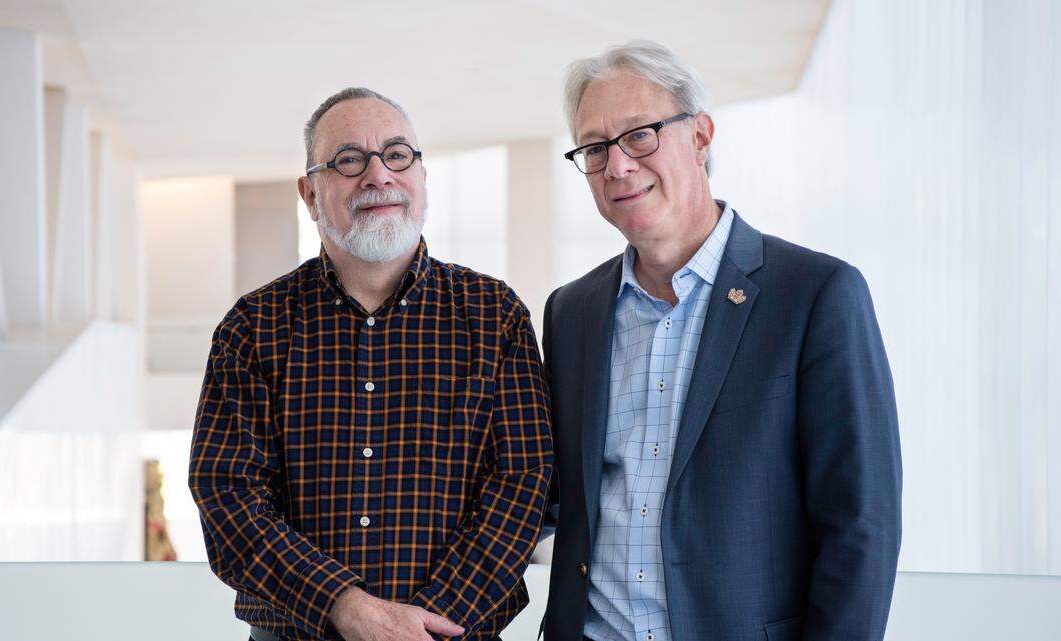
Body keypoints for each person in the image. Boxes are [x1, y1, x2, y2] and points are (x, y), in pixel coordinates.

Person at [541, 41, 902, 641]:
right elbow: (552, 495)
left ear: (701, 137)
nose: (618, 166)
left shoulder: (816, 294)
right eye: (596, 148)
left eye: (640, 135)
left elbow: (861, 526)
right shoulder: (570, 312)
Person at [189, 87, 554, 641]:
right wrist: (346, 606)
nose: (378, 176)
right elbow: (228, 494)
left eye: (397, 154)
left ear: (422, 177)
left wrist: (425, 625)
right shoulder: (252, 327)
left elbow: (523, 482)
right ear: (310, 194)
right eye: (349, 160)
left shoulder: (494, 315)